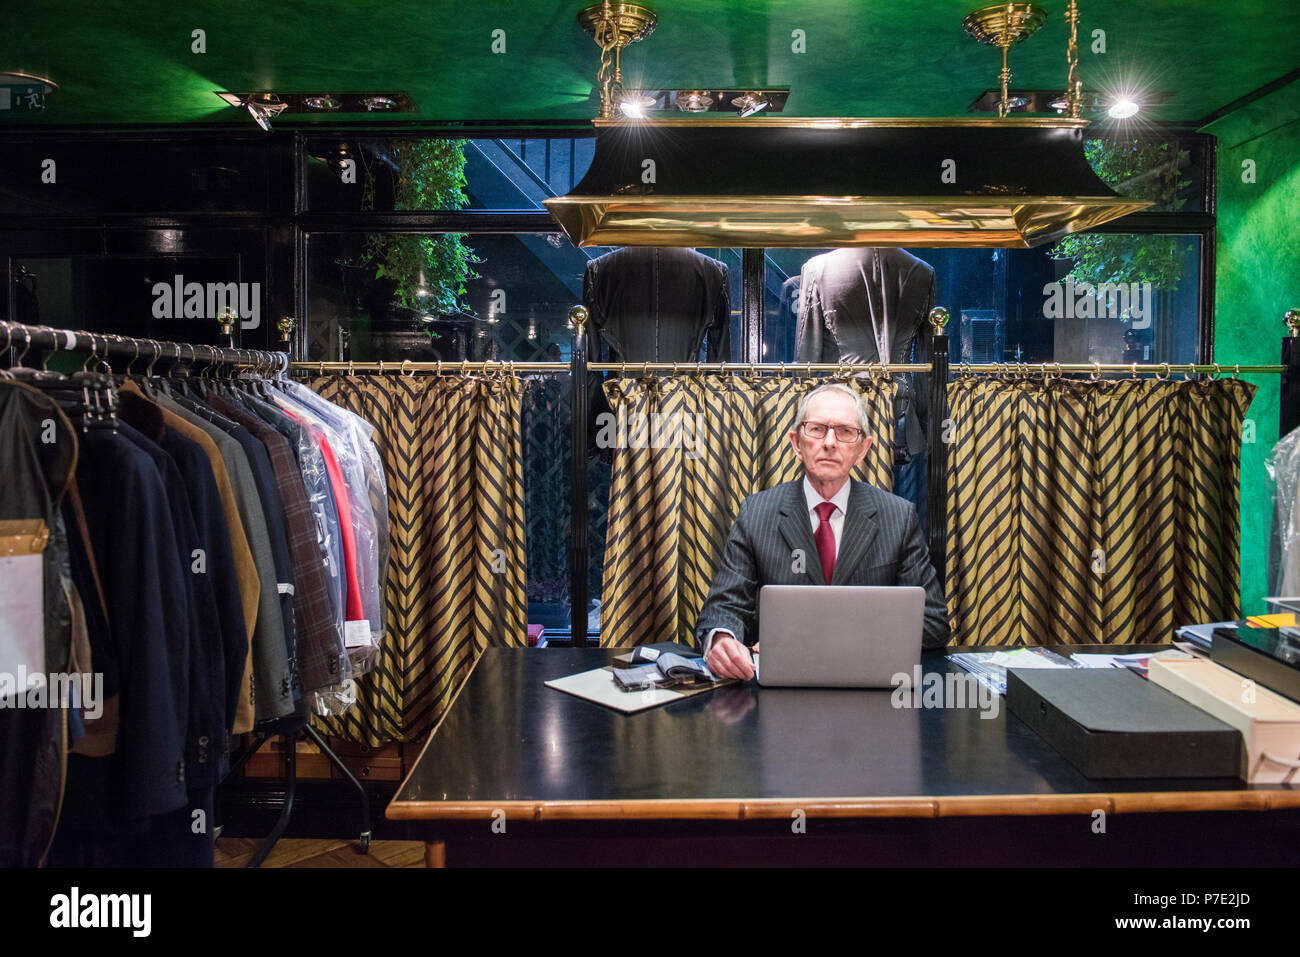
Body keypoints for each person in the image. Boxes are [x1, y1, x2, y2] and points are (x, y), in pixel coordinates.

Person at [696, 383, 950, 680]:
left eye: (845, 431)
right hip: (779, 693)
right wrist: (721, 640)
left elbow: (933, 622)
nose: (829, 442)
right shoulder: (757, 513)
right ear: (796, 443)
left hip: (871, 690)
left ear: (862, 449)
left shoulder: (898, 517)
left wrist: (828, 639)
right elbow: (722, 608)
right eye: (816, 429)